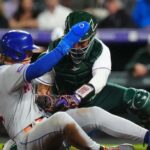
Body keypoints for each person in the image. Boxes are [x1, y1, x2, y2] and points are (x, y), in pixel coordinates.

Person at [0, 22, 107, 150]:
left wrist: (56, 101)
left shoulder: (13, 75)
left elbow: (38, 95)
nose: (31, 55)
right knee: (61, 119)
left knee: (90, 114)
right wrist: (66, 43)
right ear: (17, 53)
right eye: (28, 52)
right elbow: (39, 68)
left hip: (38, 131)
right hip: (28, 137)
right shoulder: (7, 72)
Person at [39, 10, 150, 125]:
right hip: (62, 100)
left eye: (82, 43)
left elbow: (99, 80)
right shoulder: (53, 50)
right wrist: (49, 101)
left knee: (141, 99)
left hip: (93, 97)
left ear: (92, 38)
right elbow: (43, 88)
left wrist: (77, 96)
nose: (77, 47)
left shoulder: (100, 49)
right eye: (73, 41)